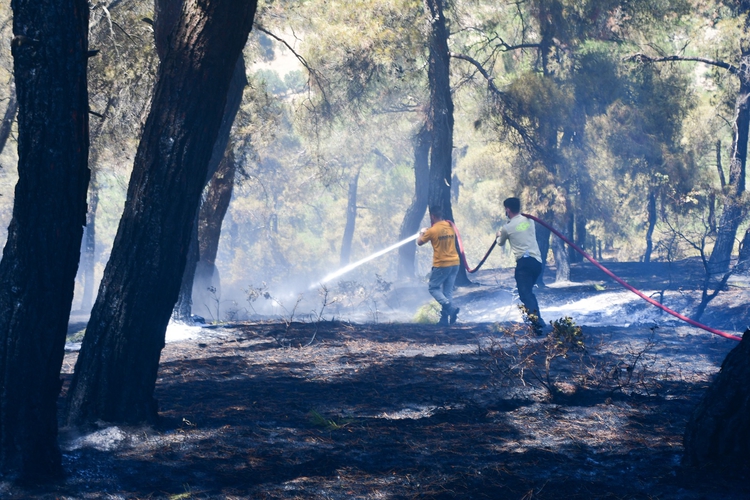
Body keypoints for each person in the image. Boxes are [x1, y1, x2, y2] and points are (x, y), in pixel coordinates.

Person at [496, 197, 545, 332]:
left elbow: (500, 242)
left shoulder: (507, 228)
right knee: (528, 293)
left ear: (507, 209)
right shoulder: (529, 221)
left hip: (524, 263)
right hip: (537, 263)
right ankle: (536, 320)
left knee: (525, 294)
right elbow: (520, 229)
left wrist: (498, 235)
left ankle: (537, 322)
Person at [418, 206, 460, 326]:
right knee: (447, 292)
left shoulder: (432, 231)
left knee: (433, 287)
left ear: (432, 216)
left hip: (442, 264)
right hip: (455, 263)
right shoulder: (450, 227)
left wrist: (422, 232)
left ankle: (449, 307)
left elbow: (419, 242)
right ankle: (444, 320)